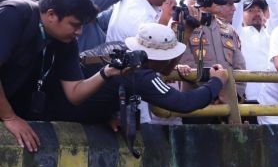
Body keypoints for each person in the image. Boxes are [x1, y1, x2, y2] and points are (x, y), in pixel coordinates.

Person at [0, 0, 124, 151]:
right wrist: (9, 117)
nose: (79, 32)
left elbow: (74, 93)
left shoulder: (65, 41)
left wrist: (106, 72)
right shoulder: (14, 15)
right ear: (51, 15)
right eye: (75, 24)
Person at [82, 23, 229, 124]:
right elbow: (184, 103)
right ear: (159, 58)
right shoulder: (140, 73)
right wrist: (217, 82)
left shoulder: (120, 52)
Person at [179, 0, 246, 100]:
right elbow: (186, 65)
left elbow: (240, 67)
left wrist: (233, 95)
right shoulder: (183, 26)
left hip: (229, 105)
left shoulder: (229, 29)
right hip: (197, 105)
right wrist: (213, 94)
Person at [240, 0, 271, 101]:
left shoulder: (271, 33)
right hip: (249, 95)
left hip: (272, 95)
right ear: (241, 14)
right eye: (251, 10)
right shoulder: (238, 33)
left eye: (259, 10)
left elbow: (276, 14)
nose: (257, 13)